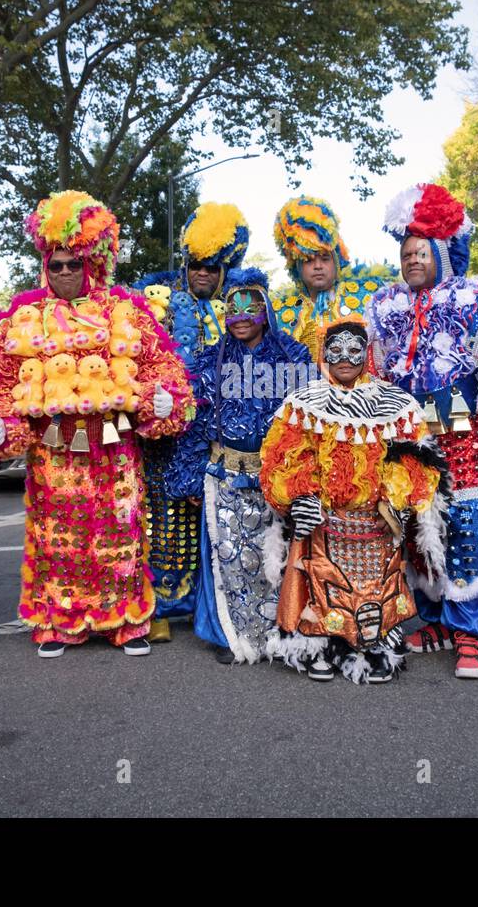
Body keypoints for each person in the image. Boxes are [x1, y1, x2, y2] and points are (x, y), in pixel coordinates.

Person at [0, 190, 194, 658]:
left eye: (75, 263)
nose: (67, 272)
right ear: (45, 267)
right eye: (58, 265)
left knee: (122, 530)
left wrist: (163, 400)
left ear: (93, 262)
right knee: (58, 539)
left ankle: (127, 620)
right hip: (53, 452)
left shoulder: (126, 311)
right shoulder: (22, 317)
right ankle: (58, 621)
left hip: (115, 448)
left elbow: (164, 369)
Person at [367, 182, 478, 679]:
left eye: (421, 252)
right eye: (406, 253)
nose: (412, 260)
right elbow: (374, 371)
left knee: (467, 530)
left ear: (441, 252)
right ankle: (437, 617)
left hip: (460, 434)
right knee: (419, 530)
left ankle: (470, 631)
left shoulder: (471, 298)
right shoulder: (386, 305)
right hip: (408, 440)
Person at [261, 316, 448, 684]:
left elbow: (417, 457)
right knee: (324, 588)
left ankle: (372, 645)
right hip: (325, 524)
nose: (344, 356)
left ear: (367, 353)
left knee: (375, 588)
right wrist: (299, 496)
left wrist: (398, 496)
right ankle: (323, 644)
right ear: (323, 354)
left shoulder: (395, 403)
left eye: (353, 349)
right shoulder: (303, 402)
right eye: (336, 349)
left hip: (377, 526)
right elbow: (283, 456)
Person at [164, 268, 313, 664]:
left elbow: (307, 423)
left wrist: (301, 478)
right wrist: (190, 479)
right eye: (234, 308)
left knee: (274, 560)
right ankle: (230, 637)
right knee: (226, 559)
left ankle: (279, 633)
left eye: (251, 307)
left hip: (273, 480)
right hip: (223, 478)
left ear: (265, 309)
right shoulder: (209, 359)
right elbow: (194, 425)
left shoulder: (293, 357)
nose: (242, 316)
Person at [133, 202, 249, 642]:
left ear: (225, 268)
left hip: (218, 436)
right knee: (162, 517)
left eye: (212, 266)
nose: (203, 273)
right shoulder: (156, 301)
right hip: (166, 434)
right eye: (196, 264)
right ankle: (160, 604)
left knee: (214, 517)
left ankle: (212, 603)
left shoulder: (238, 307)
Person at [270, 195, 394, 360]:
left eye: (325, 258)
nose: (318, 266)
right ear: (296, 266)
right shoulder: (279, 313)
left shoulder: (368, 296)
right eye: (308, 260)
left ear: (336, 261)